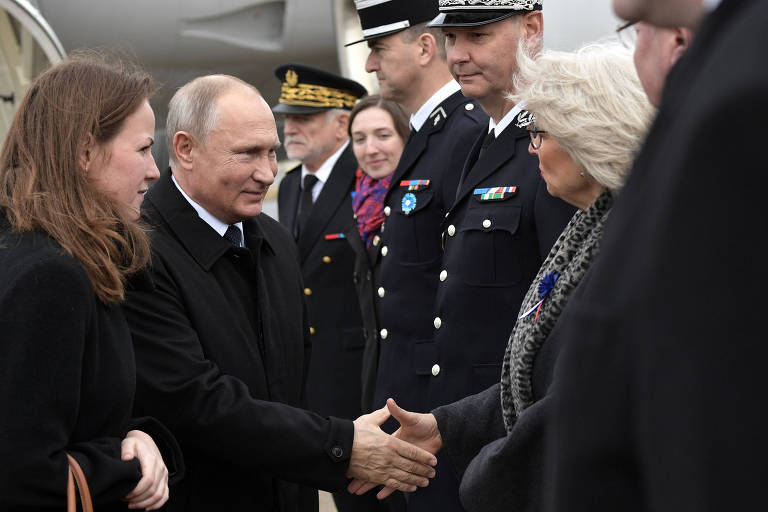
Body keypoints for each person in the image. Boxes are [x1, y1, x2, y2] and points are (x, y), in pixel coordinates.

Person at [351, 41, 654, 512]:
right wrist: (448, 426)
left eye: (541, 133)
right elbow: (537, 375)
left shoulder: (639, 250)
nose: (532, 148)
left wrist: (486, 479)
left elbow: (582, 398)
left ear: (588, 138)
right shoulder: (590, 233)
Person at [122, 74, 437, 512]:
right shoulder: (137, 253)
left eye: (272, 152)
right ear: (185, 149)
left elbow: (291, 383)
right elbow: (196, 403)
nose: (267, 172)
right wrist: (341, 445)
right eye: (247, 154)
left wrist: (338, 442)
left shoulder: (272, 239)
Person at [543, 0, 768, 509]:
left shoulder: (744, 96)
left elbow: (719, 415)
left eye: (634, 32)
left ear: (678, 42)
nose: (535, 148)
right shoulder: (721, 77)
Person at [396, 2, 574, 509]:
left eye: (476, 35)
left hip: (513, 438)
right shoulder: (483, 139)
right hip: (466, 429)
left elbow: (563, 313)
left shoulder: (551, 144)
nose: (459, 55)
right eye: (452, 40)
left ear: (532, 29)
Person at [0, 52, 182, 511]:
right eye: (142, 149)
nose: (154, 169)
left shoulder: (42, 253)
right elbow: (25, 474)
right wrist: (126, 465)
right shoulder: (49, 276)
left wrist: (136, 434)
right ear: (84, 152)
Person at [348, 1, 487, 507]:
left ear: (425, 46)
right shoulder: (430, 133)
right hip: (410, 399)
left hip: (441, 403)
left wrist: (445, 416)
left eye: (379, 49)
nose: (370, 65)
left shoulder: (465, 133)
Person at [344, 95, 410, 414]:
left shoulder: (421, 197)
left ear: (405, 136)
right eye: (359, 139)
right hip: (377, 373)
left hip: (417, 373)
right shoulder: (358, 201)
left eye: (383, 135)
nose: (370, 149)